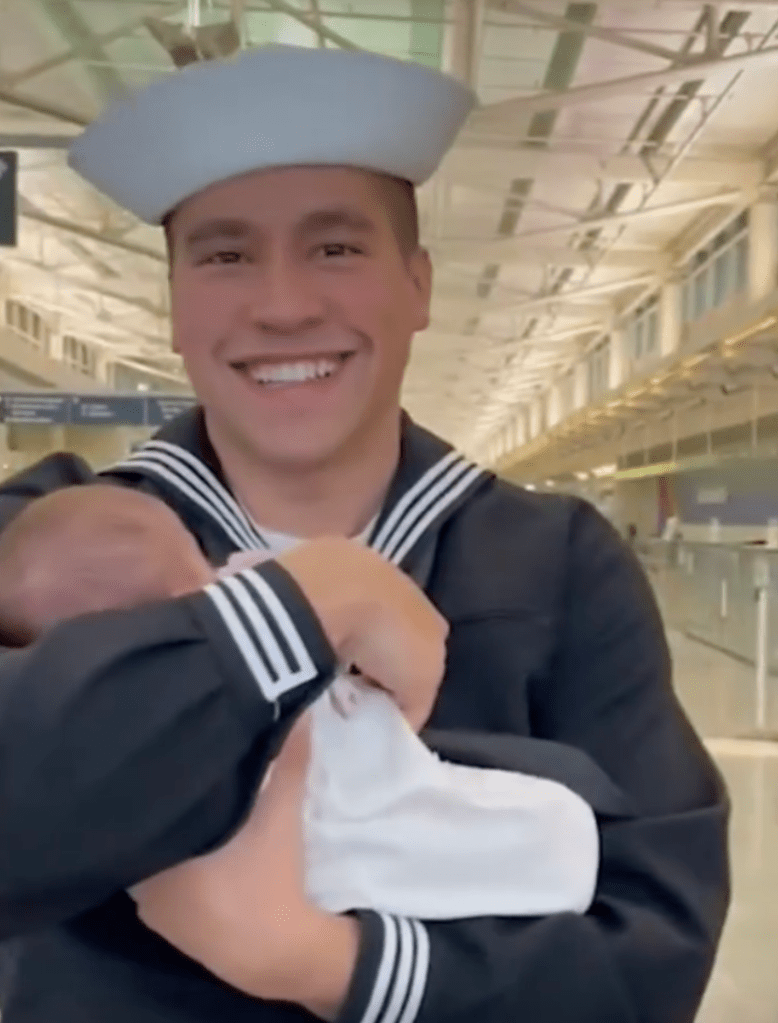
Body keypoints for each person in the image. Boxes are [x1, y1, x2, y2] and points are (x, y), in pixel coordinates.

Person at [0, 44, 728, 1023]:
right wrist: (303, 610)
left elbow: (654, 945)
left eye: (335, 248)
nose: (284, 304)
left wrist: (327, 963)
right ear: (174, 303)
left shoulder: (554, 564)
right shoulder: (40, 534)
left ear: (418, 287)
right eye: (224, 254)